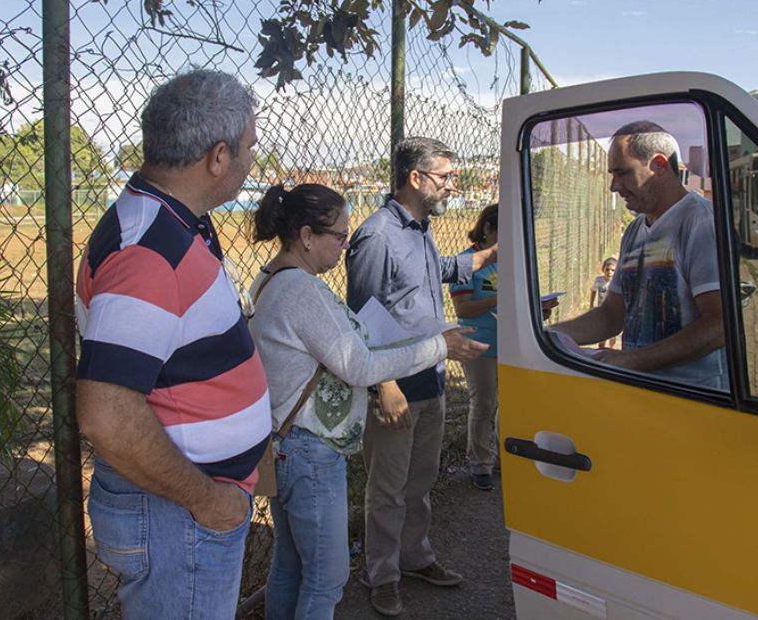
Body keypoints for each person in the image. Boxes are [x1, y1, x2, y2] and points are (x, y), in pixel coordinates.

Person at [75, 69, 269, 619]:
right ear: (217, 156)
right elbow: (106, 414)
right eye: (250, 146)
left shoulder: (177, 222)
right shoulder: (149, 252)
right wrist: (210, 503)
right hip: (179, 511)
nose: (253, 158)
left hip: (183, 508)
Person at [246, 183, 487, 620]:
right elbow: (357, 367)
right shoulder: (302, 290)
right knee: (326, 579)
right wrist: (439, 347)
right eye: (338, 236)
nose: (344, 245)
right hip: (311, 450)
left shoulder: (269, 278)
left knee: (289, 564)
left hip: (282, 440)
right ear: (305, 235)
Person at [346, 137, 498, 617]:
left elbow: (439, 272)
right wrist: (383, 386)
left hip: (430, 380)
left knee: (420, 482)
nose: (452, 185)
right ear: (416, 178)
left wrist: (491, 253)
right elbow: (362, 316)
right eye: (445, 177)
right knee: (388, 490)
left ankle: (414, 556)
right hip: (397, 389)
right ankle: (382, 574)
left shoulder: (420, 230)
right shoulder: (377, 236)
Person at [550, 120, 727, 388]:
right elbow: (612, 314)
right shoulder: (634, 230)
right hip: (644, 393)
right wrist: (548, 335)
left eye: (622, 173)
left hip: (693, 400)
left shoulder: (701, 222)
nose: (613, 186)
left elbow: (720, 324)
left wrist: (634, 360)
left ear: (659, 165)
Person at [450, 203, 500, 491]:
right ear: (487, 228)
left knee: (509, 404)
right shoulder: (466, 263)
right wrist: (498, 300)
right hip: (478, 344)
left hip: (508, 341)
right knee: (483, 404)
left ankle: (502, 456)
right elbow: (463, 308)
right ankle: (480, 463)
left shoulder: (509, 259)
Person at [588, 257, 618, 349]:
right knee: (602, 332)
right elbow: (593, 291)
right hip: (602, 310)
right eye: (607, 269)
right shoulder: (599, 280)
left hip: (614, 310)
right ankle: (601, 349)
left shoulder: (617, 282)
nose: (609, 272)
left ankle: (611, 348)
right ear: (603, 269)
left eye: (613, 270)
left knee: (613, 333)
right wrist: (591, 304)